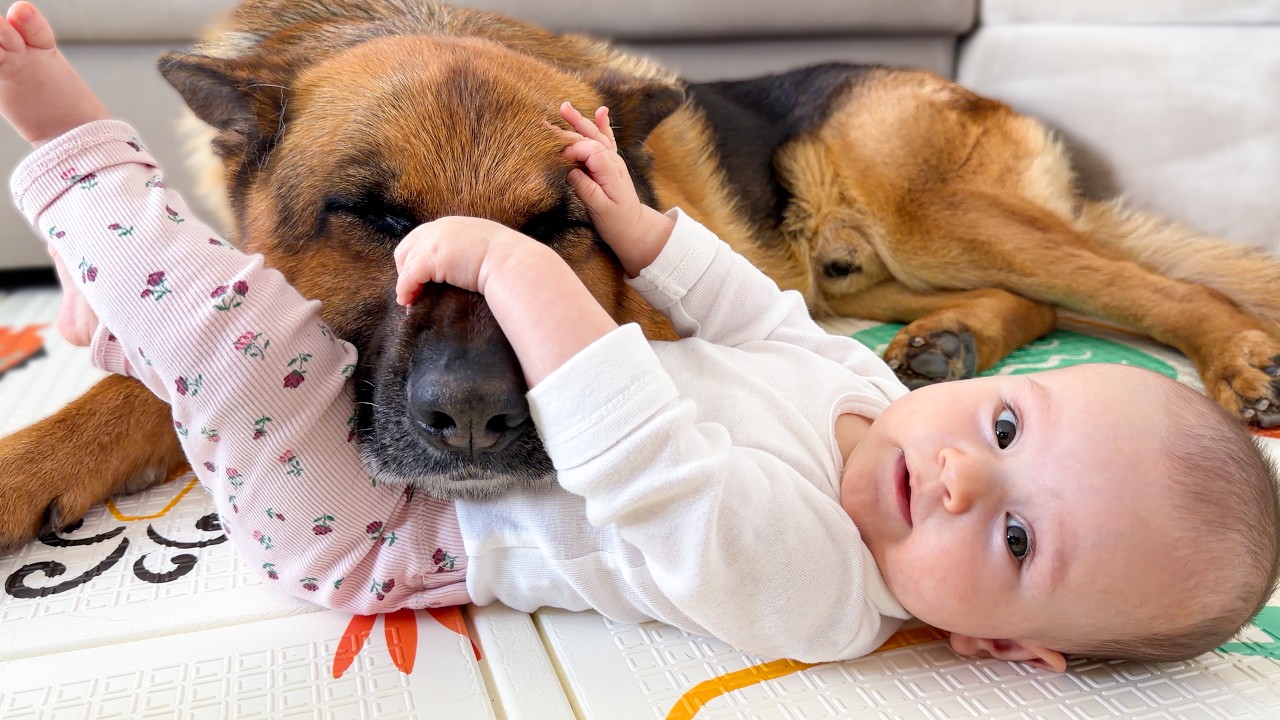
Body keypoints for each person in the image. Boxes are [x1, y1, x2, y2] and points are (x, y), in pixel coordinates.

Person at [3, 1, 1278, 670]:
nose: (956, 466)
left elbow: (650, 459)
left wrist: (556, 255)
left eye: (1010, 530)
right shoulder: (851, 394)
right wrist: (648, 234)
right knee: (231, 333)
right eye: (1000, 427)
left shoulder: (826, 595)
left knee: (232, 363)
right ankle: (1001, 317)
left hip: (351, 542)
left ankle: (1194, 318)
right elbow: (764, 312)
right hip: (781, 253)